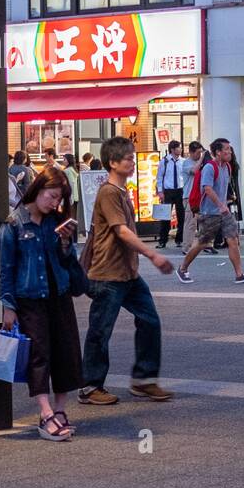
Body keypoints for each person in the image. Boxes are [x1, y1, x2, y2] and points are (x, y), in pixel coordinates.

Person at [79, 137, 176, 405]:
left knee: (150, 320)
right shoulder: (109, 192)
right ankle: (90, 387)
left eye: (133, 158)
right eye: (128, 159)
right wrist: (153, 254)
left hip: (128, 274)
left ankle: (144, 380)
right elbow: (121, 231)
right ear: (113, 163)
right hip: (107, 274)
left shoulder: (121, 191)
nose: (133, 163)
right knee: (100, 331)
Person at [0, 167, 83, 441]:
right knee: (39, 355)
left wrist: (67, 243)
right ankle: (46, 414)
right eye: (52, 196)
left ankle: (60, 411)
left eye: (59, 199)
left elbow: (66, 261)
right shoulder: (14, 224)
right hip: (29, 298)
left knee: (66, 352)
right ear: (38, 189)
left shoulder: (55, 222)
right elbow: (6, 269)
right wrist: (7, 306)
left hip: (59, 294)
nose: (55, 203)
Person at [176, 138, 244, 284]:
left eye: (229, 149)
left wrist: (227, 202)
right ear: (218, 152)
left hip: (224, 213)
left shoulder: (227, 167)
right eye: (226, 149)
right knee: (202, 242)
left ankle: (239, 274)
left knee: (233, 240)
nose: (229, 151)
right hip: (209, 213)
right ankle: (182, 268)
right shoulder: (209, 167)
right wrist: (220, 205)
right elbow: (207, 188)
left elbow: (224, 187)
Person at [156, 140, 186, 250]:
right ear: (173, 150)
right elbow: (159, 177)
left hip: (180, 190)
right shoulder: (164, 161)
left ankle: (180, 239)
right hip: (168, 191)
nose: (180, 149)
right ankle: (162, 240)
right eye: (179, 147)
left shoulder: (183, 161)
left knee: (181, 216)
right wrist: (160, 191)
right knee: (165, 217)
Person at [179, 141, 204, 251]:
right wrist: (201, 159)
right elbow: (194, 171)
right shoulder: (186, 163)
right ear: (191, 152)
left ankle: (206, 244)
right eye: (198, 152)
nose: (199, 155)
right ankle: (187, 247)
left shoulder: (201, 162)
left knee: (205, 221)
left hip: (201, 196)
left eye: (201, 152)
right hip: (189, 196)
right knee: (191, 223)